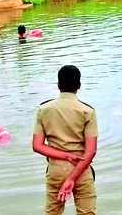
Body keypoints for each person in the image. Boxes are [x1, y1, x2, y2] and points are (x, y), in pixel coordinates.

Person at [33, 65, 98, 215]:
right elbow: (91, 151)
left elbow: (37, 146)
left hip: (55, 169)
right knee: (87, 212)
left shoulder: (44, 109)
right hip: (81, 168)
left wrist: (65, 156)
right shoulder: (87, 111)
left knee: (52, 212)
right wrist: (71, 178)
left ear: (58, 85)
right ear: (79, 85)